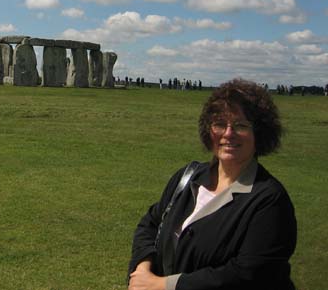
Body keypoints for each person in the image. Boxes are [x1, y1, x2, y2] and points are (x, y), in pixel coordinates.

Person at [127, 79, 296, 290]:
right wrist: (143, 269)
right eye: (219, 124)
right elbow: (151, 224)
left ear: (259, 133)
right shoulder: (187, 177)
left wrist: (164, 285)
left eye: (241, 125)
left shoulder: (269, 200)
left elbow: (249, 274)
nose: (228, 134)